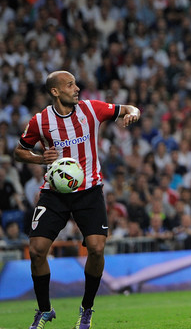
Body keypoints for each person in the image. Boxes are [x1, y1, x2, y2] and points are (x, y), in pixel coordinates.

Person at [14, 71, 140, 329]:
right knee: (36, 251)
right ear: (55, 92)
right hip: (54, 193)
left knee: (96, 248)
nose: (77, 88)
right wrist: (41, 158)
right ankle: (44, 310)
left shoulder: (92, 109)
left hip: (89, 191)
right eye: (70, 85)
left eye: (75, 83)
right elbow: (19, 151)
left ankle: (87, 309)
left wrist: (133, 112)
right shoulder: (40, 121)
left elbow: (128, 107)